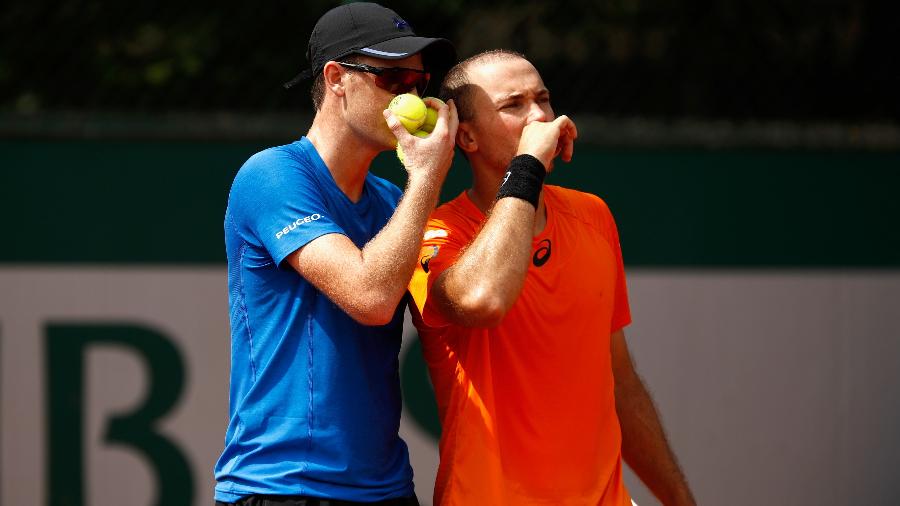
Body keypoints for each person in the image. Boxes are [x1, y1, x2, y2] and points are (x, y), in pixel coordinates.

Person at [408, 50, 696, 506]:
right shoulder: (434, 234)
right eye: (514, 105)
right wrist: (526, 168)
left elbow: (619, 379)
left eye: (543, 99)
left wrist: (681, 500)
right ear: (466, 137)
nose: (541, 117)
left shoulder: (593, 215)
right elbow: (482, 300)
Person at [214, 3, 458, 505]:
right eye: (392, 78)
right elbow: (368, 296)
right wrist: (429, 177)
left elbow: (452, 321)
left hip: (387, 489)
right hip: (283, 486)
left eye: (418, 80)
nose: (410, 95)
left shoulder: (396, 201)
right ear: (336, 78)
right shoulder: (272, 175)